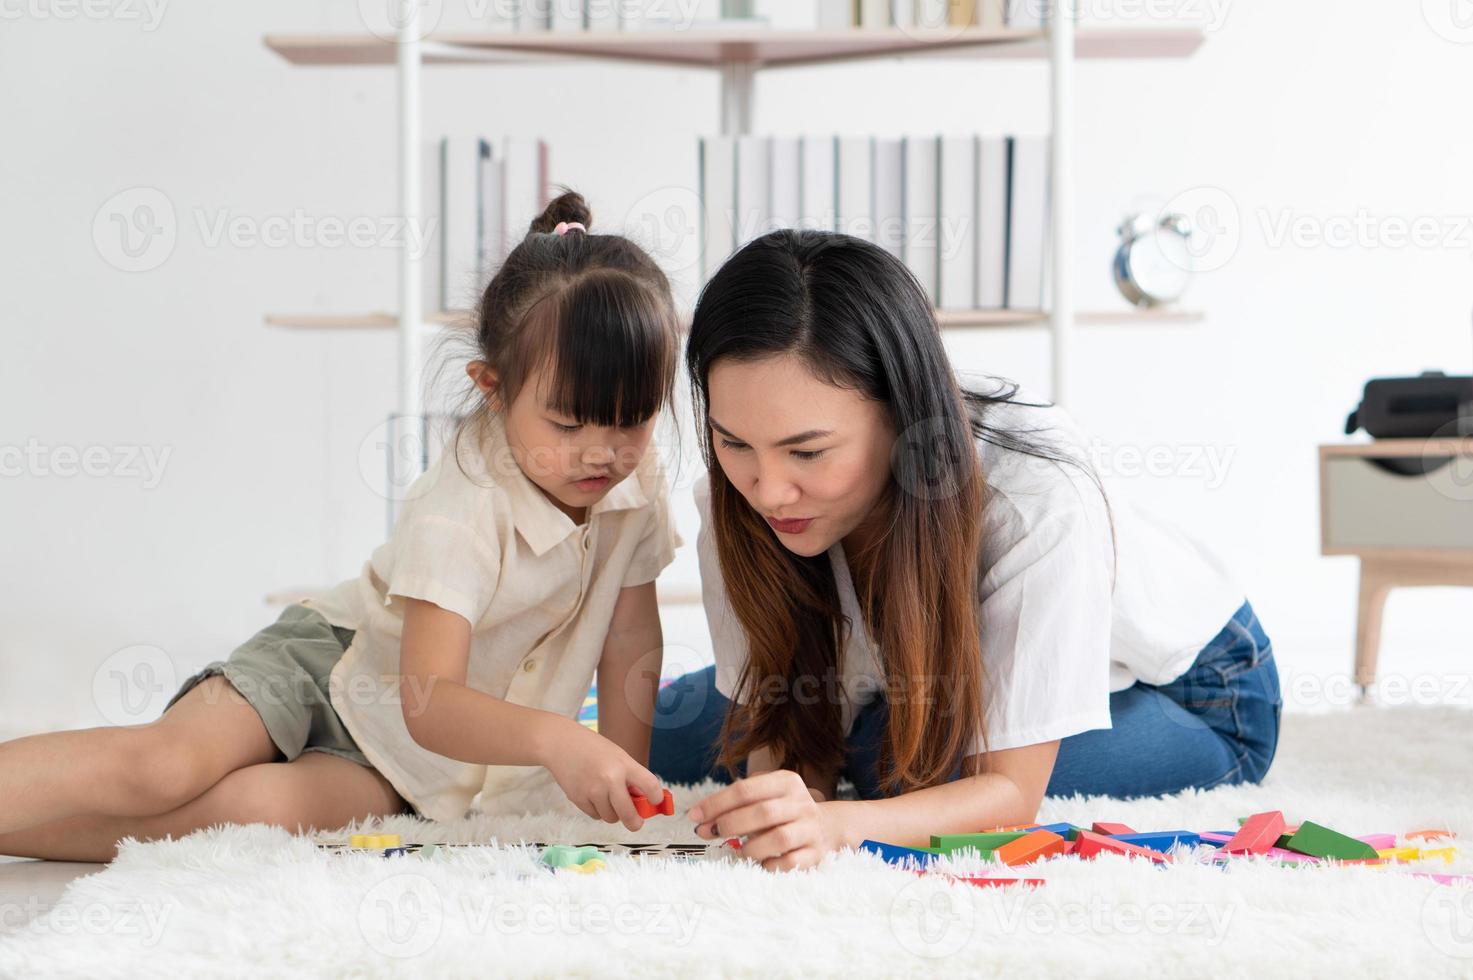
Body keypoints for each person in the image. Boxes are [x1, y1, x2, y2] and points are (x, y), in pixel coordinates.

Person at [0, 191, 682, 862]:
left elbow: (629, 635)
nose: (602, 452)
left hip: (410, 764)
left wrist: (626, 791)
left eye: (632, 419)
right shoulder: (464, 506)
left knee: (250, 818)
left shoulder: (633, 483)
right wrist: (560, 741)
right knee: (163, 769)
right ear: (491, 387)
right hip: (326, 666)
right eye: (566, 424)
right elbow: (430, 698)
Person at [649, 229, 1282, 871]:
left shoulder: (1033, 492)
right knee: (650, 734)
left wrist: (833, 823)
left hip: (1198, 691)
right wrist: (785, 802)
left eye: (807, 452)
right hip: (890, 677)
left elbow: (1009, 794)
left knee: (895, 768)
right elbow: (788, 733)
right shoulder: (735, 496)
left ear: (899, 413)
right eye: (734, 443)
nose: (769, 491)